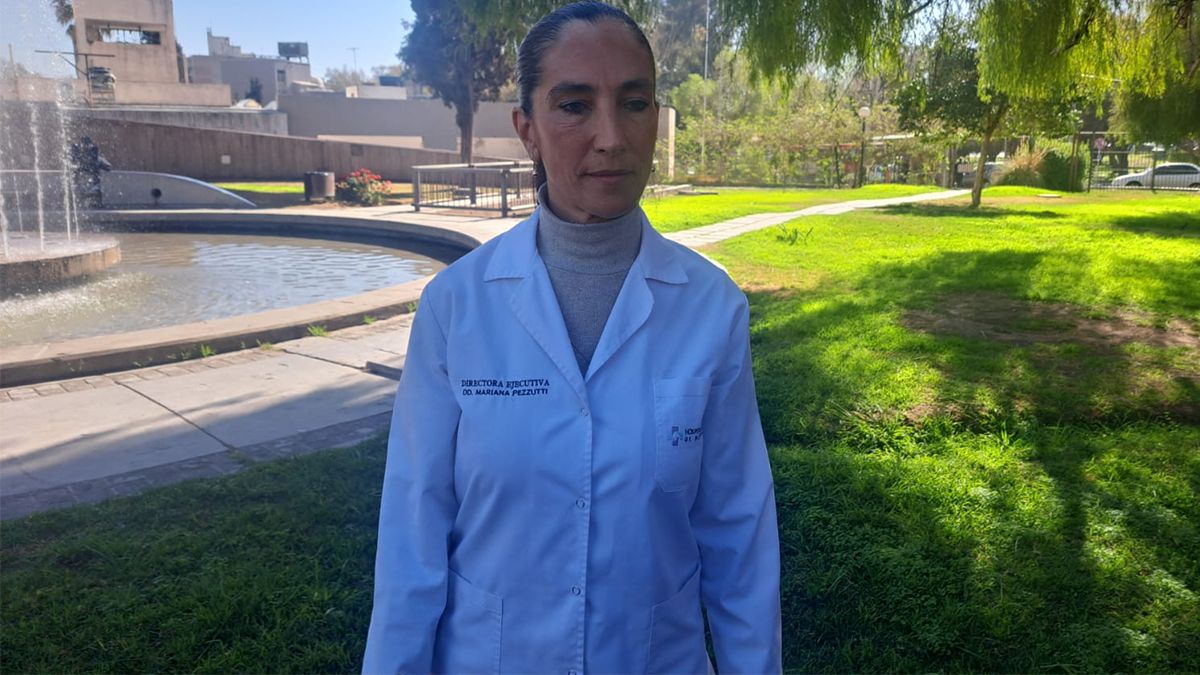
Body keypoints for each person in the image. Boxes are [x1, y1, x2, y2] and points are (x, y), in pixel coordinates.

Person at [362, 2, 781, 673]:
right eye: (575, 105)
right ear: (527, 129)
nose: (611, 136)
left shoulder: (710, 307)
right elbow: (414, 534)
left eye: (634, 103)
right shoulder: (457, 306)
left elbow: (739, 532)